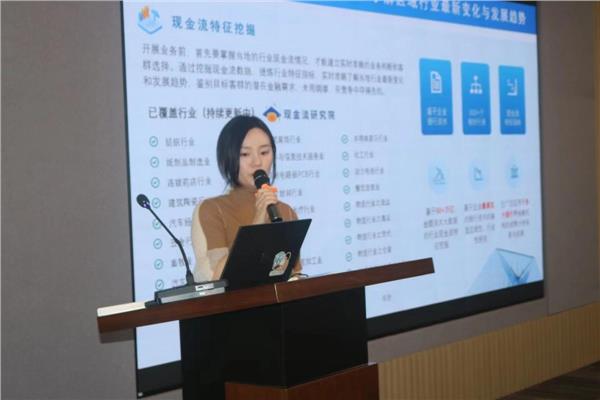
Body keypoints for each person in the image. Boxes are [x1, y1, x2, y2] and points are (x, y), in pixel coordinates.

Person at [191, 115, 301, 282]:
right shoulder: (211, 209)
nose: (257, 162)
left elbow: (295, 276)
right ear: (227, 157)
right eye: (245, 154)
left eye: (264, 152)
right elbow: (216, 279)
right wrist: (258, 221)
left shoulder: (285, 211)